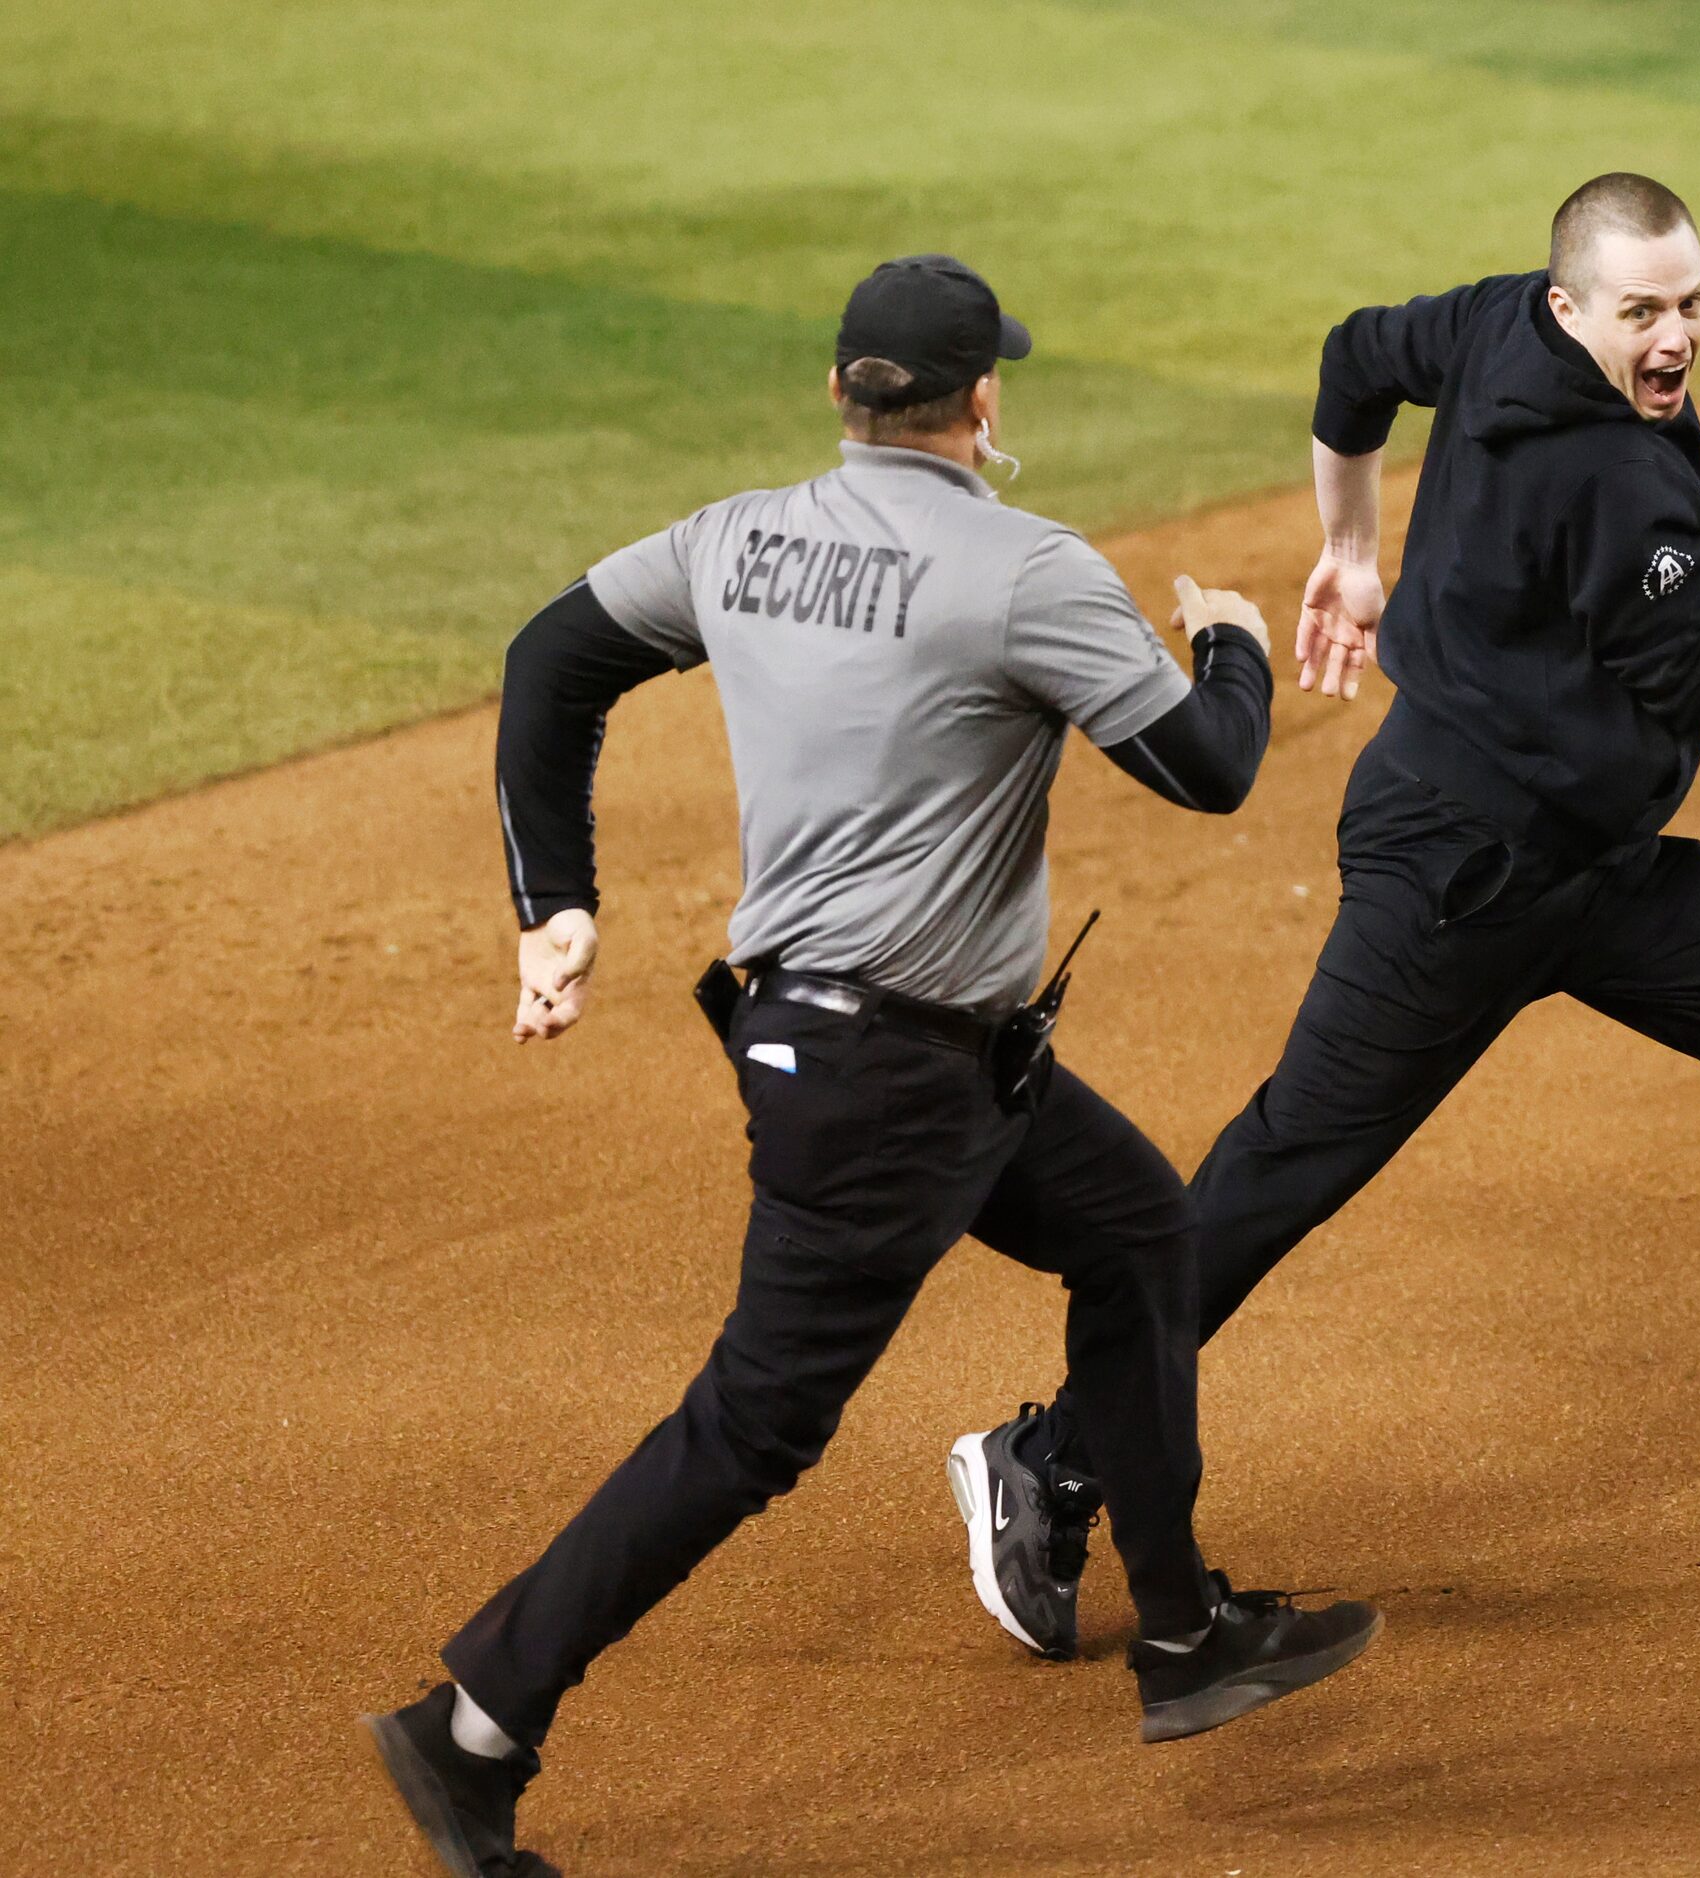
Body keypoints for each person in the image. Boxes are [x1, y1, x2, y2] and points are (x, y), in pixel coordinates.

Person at [360, 254, 1379, 1878]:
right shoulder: (1025, 569)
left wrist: (555, 900)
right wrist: (1236, 640)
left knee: (1135, 1233)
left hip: (896, 1052)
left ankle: (1183, 1631)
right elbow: (1210, 769)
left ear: (843, 394)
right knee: (754, 1424)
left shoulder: (736, 535)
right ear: (984, 401)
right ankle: (474, 1721)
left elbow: (553, 656)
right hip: (889, 1083)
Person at [950, 174, 1700, 1663]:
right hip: (1464, 873)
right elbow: (1695, 680)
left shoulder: (1497, 327)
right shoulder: (1623, 492)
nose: (1675, 334)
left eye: (1689, 302)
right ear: (1571, 304)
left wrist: (1350, 543)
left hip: (1587, 862)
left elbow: (1350, 359)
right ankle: (1049, 1455)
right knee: (1286, 1166)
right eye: (1641, 310)